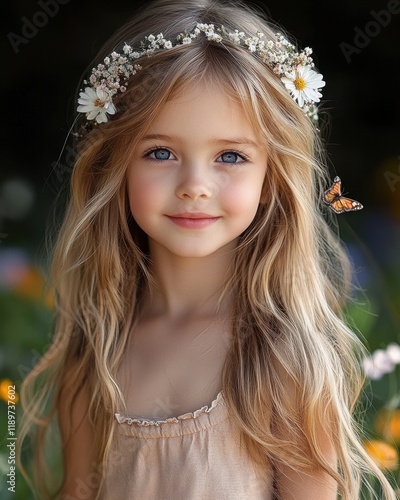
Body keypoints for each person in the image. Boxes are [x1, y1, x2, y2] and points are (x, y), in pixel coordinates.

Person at [17, 0, 397, 498]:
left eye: (230, 156)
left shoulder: (280, 362)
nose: (195, 185)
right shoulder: (95, 354)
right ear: (116, 165)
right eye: (160, 152)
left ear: (272, 177)